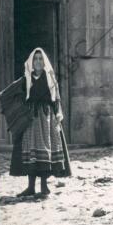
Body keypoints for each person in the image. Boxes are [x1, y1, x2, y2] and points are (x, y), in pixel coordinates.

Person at [9, 47, 71, 197]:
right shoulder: (26, 79)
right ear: (31, 61)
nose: (37, 61)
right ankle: (31, 187)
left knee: (45, 151)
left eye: (40, 59)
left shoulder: (50, 79)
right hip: (30, 120)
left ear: (44, 62)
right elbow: (17, 97)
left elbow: (56, 100)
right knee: (31, 151)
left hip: (46, 118)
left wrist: (58, 115)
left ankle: (44, 187)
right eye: (35, 59)